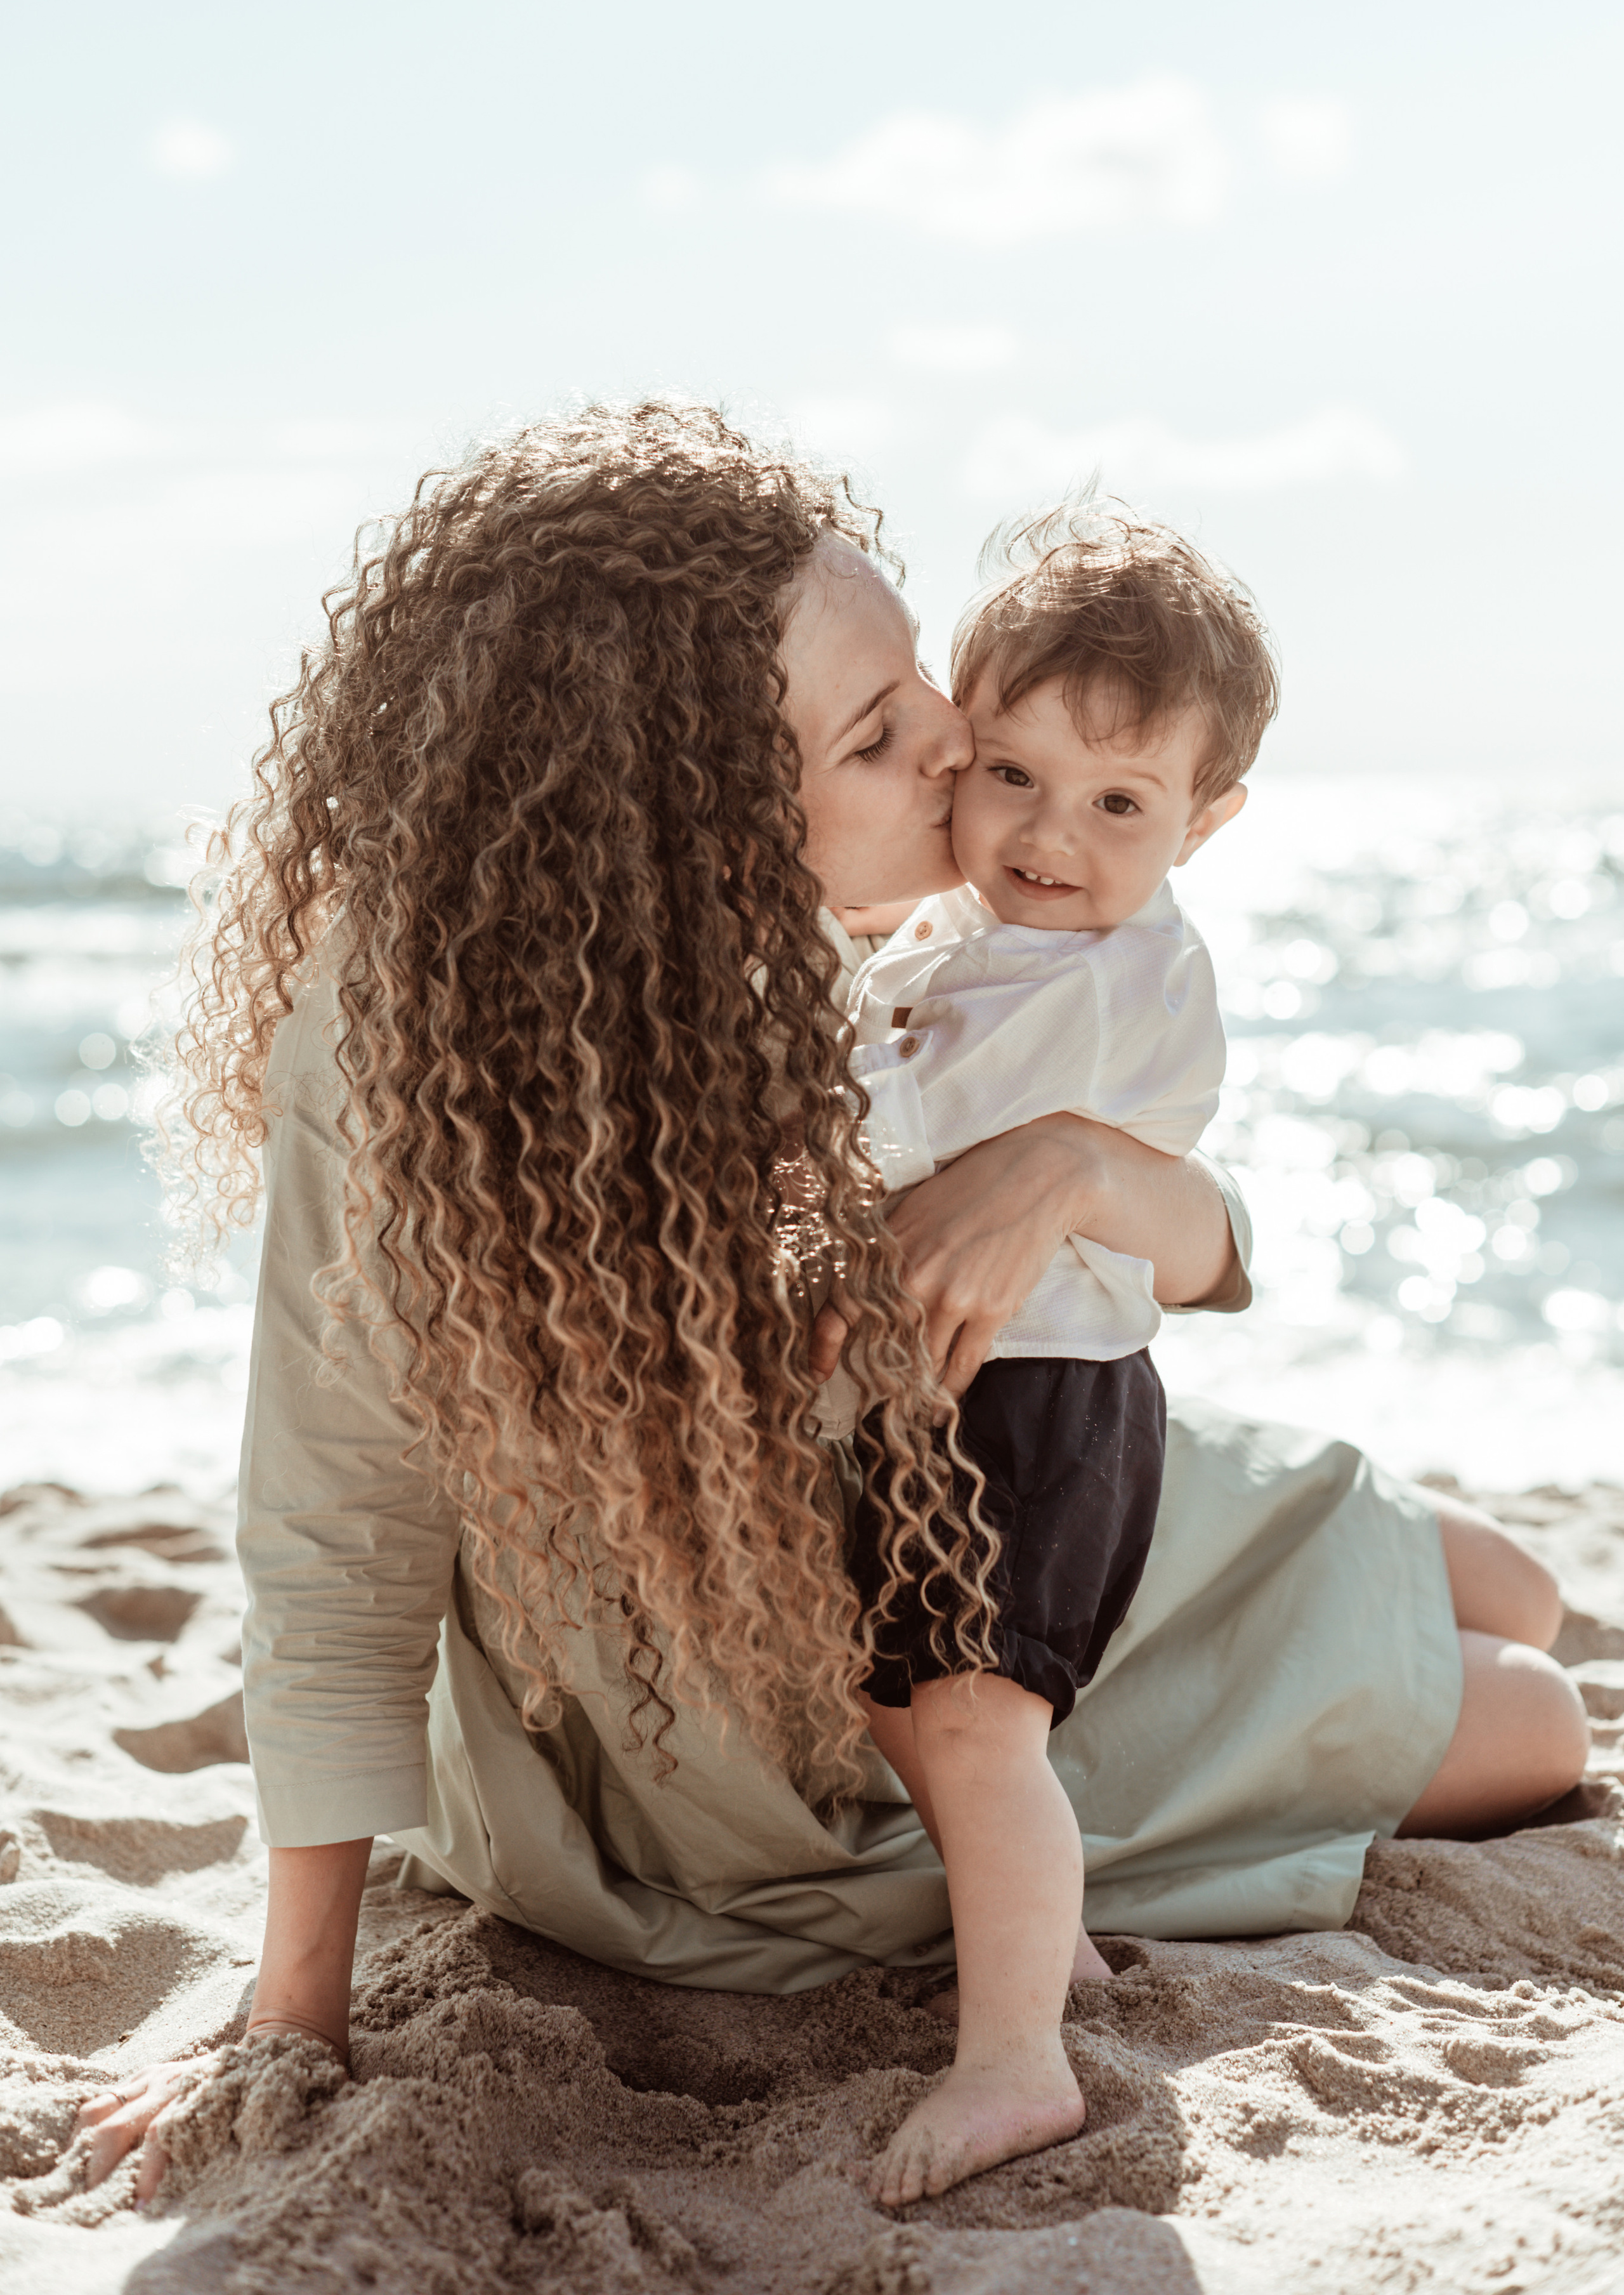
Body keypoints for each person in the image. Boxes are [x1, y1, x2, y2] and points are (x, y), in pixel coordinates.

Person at [74, 404, 1588, 2208]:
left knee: (1522, 1583)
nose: (960, 738)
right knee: (1538, 1726)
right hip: (786, 1694)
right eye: (880, 737)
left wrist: (1075, 1172)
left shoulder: (865, 932)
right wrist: (294, 2011)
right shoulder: (422, 1027)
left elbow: (1197, 1250)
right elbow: (337, 1525)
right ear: (698, 818)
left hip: (991, 1452)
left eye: (915, 681)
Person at [842, 508, 1274, 2204]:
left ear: (1205, 822)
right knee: (908, 1703)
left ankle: (1017, 2061)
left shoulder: (1111, 978)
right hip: (954, 1390)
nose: (1048, 835)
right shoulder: (982, 934)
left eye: (1119, 804)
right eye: (1010, 773)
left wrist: (791, 1048)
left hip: (1033, 1408)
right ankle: (1048, 1946)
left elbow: (902, 1134)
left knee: (972, 1721)